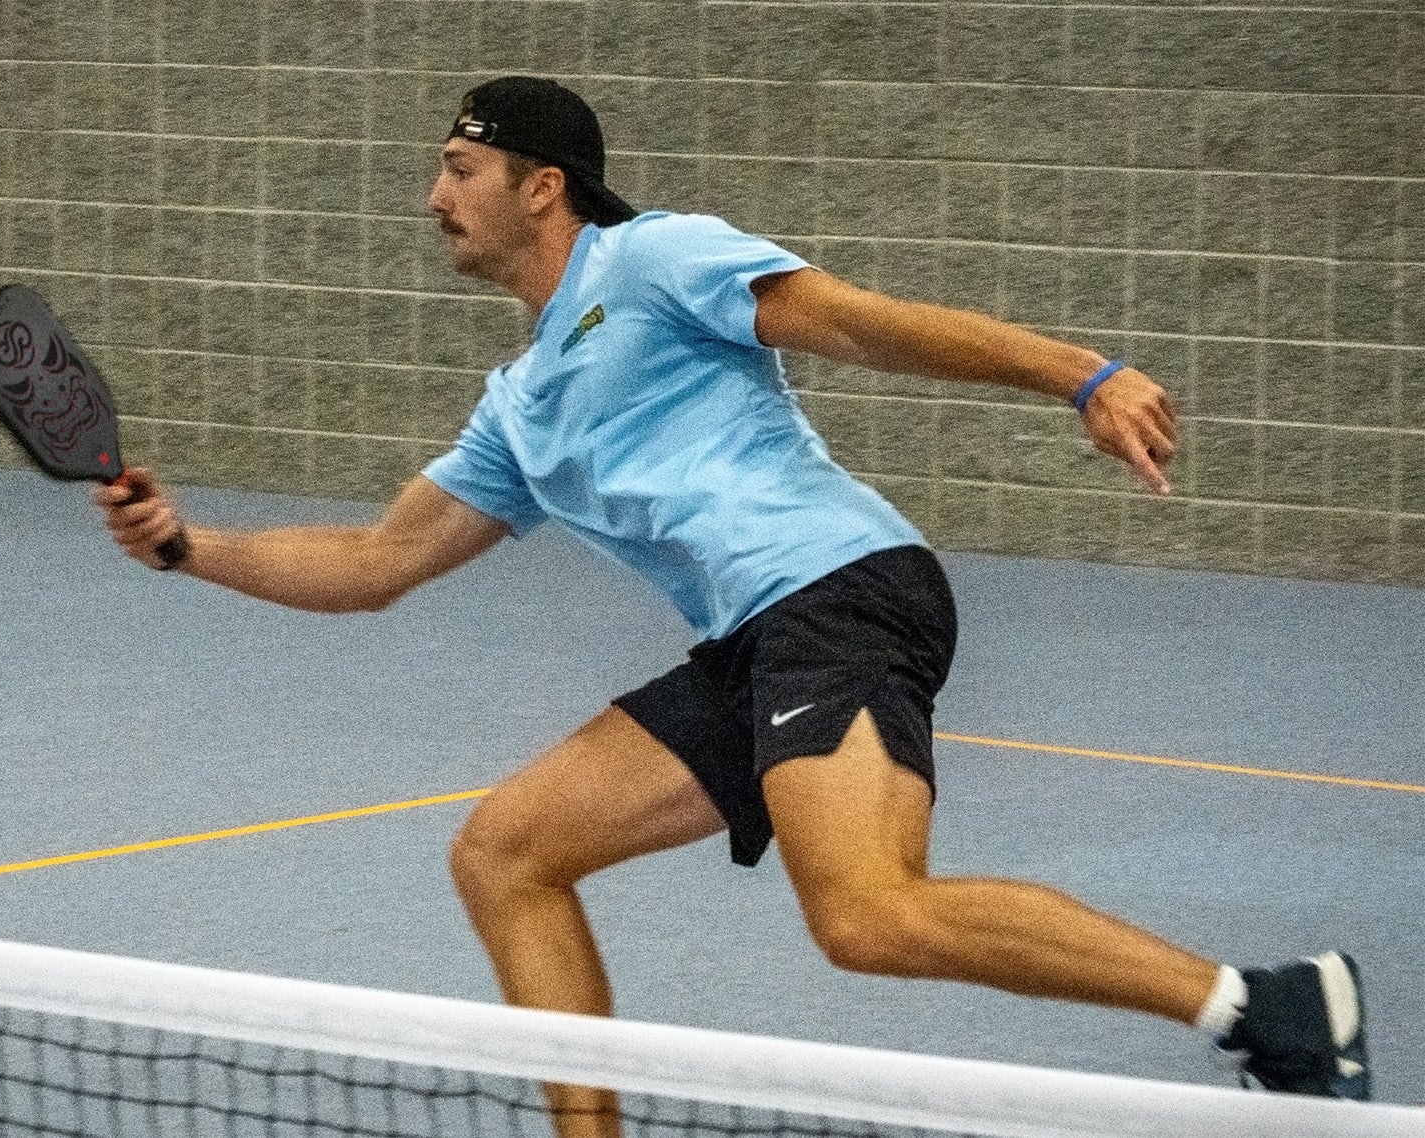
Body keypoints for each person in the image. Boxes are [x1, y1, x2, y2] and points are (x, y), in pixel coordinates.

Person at [97, 76, 1370, 1131]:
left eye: (457, 170)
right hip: (752, 640)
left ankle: (1262, 1008)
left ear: (541, 184)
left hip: (839, 590)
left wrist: (1080, 374)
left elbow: (862, 326)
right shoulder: (518, 401)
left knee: (867, 914)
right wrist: (184, 546)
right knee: (506, 852)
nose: (434, 198)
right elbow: (376, 561)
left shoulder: (650, 260)